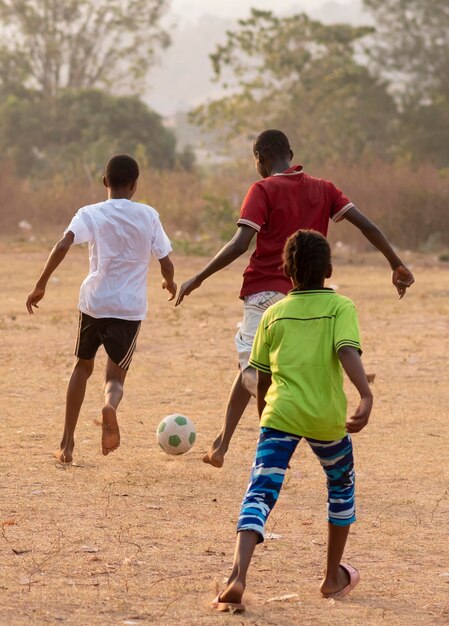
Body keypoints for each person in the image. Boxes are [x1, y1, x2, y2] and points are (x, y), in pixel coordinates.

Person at [175, 129, 413, 469]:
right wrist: (396, 263)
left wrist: (198, 277)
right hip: (306, 296)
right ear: (290, 151)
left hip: (264, 294)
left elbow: (241, 243)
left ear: (259, 159)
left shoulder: (262, 189)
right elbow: (367, 225)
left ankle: (270, 444)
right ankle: (221, 444)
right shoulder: (324, 188)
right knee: (256, 364)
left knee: (254, 369)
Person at [212, 229, 372, 613]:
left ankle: (237, 575)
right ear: (329, 269)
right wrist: (365, 394)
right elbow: (346, 351)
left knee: (260, 491)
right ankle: (332, 577)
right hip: (325, 417)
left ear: (286, 271)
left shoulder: (273, 313)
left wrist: (264, 411)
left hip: (280, 414)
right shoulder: (341, 308)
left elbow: (260, 373)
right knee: (341, 487)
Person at [26, 154, 176, 464]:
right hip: (128, 308)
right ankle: (109, 405)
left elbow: (64, 243)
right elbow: (165, 260)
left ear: (105, 181)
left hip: (94, 302)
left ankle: (66, 444)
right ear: (134, 185)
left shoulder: (90, 213)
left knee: (82, 367)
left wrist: (41, 283)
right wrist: (169, 283)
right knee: (114, 378)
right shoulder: (148, 215)